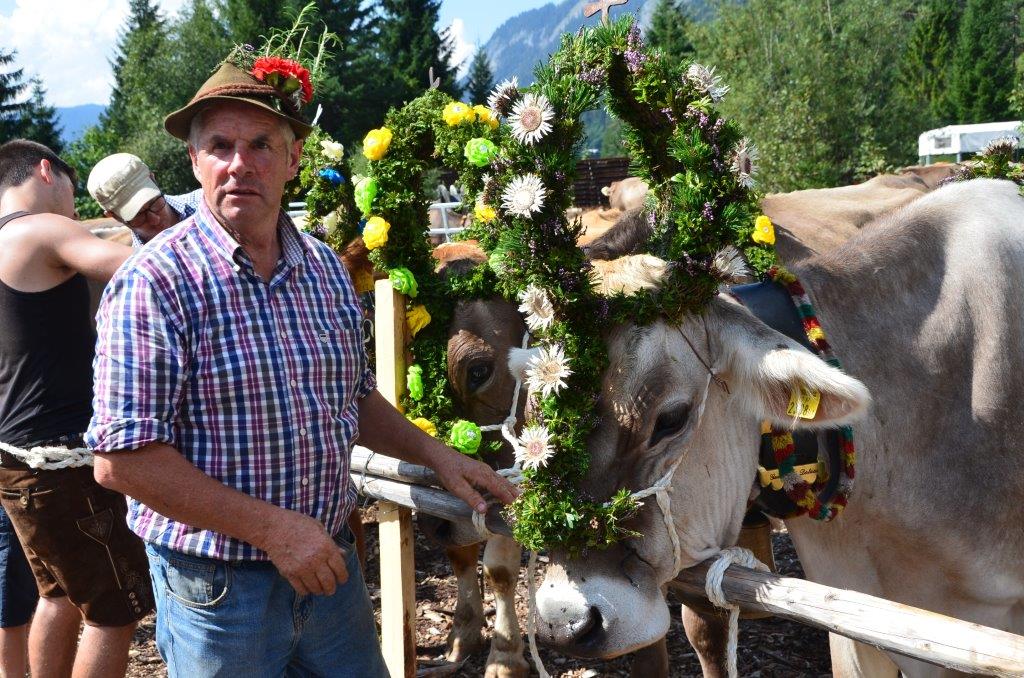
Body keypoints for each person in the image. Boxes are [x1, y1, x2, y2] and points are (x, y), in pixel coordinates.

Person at [86, 56, 518, 677]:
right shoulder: (154, 283)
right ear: (194, 161)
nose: (240, 163)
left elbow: (353, 397)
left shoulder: (321, 269)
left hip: (327, 569)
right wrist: (275, 532)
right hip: (219, 594)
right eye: (220, 145)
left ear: (293, 160)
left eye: (261, 144)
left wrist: (440, 458)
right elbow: (121, 460)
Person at [0, 139, 153, 678]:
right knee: (115, 613)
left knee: (59, 595)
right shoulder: (42, 228)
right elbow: (144, 269)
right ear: (47, 170)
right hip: (60, 461)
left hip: (17, 459)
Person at [87, 152, 202, 244]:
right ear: (114, 216)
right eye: (138, 215)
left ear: (153, 179)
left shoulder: (204, 202)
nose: (155, 220)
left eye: (154, 203)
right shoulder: (133, 263)